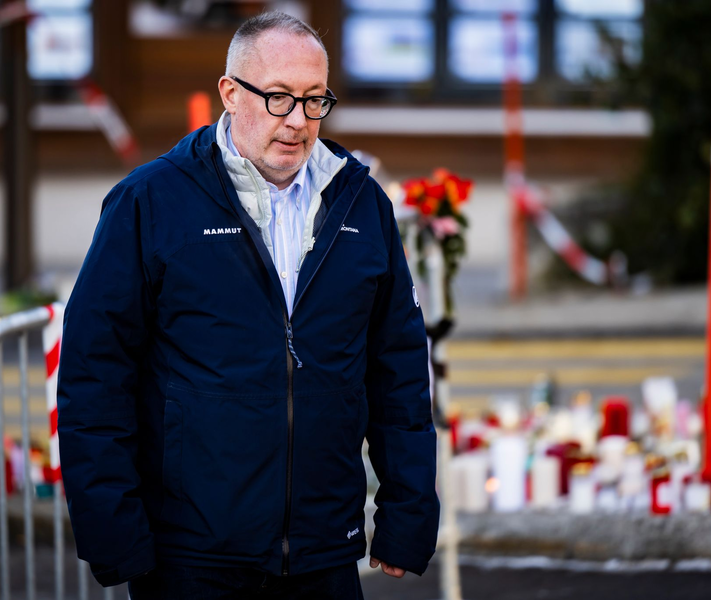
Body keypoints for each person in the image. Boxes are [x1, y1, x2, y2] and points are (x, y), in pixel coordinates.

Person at [56, 10, 440, 599]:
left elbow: (399, 371)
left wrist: (408, 515)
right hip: (190, 557)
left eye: (315, 100)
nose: (298, 121)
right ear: (231, 94)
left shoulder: (361, 202)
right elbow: (94, 376)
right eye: (279, 98)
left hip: (324, 551)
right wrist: (114, 533)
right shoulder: (149, 202)